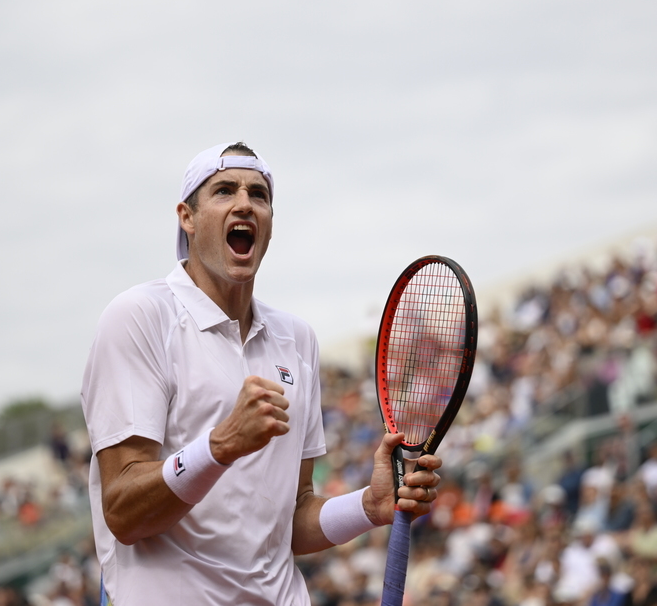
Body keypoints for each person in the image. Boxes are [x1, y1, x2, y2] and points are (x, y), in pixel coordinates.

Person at [80, 142, 441, 605]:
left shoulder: (297, 338)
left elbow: (292, 520)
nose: (244, 203)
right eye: (224, 190)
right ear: (187, 217)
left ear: (269, 223)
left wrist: (368, 506)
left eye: (259, 194)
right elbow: (124, 513)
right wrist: (219, 447)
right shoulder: (138, 316)